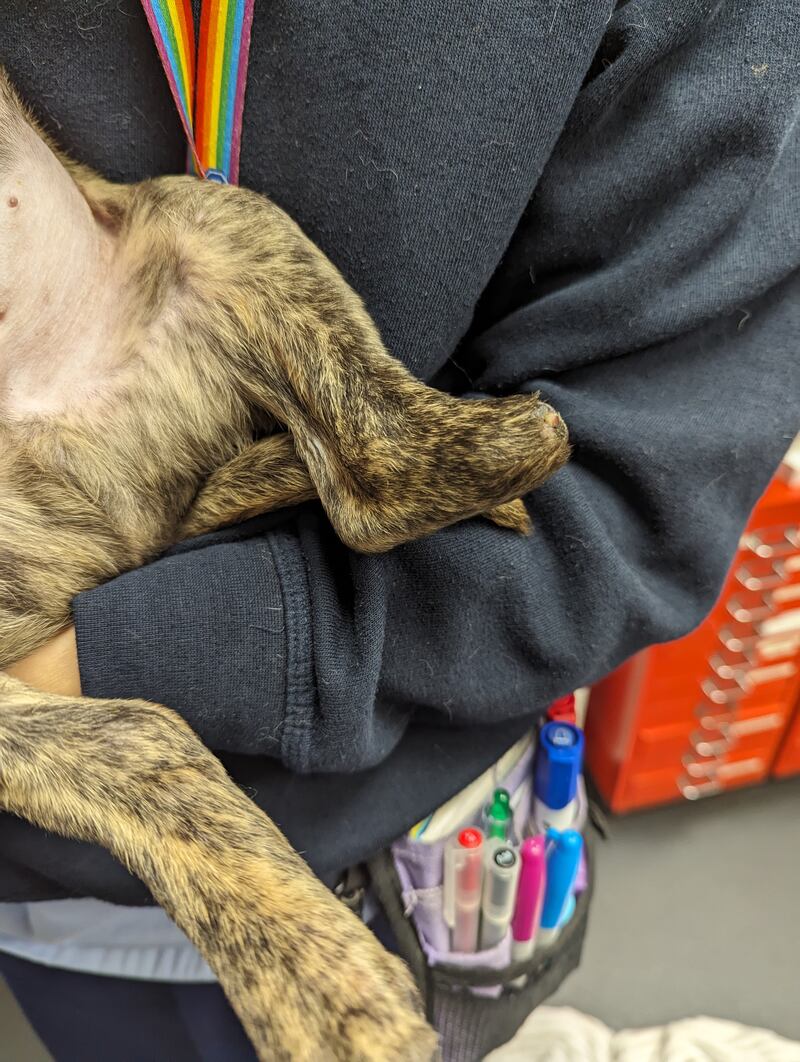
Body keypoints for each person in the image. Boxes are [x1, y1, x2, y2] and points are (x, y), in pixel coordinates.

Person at [2, 1, 798, 1059]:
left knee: (204, 236)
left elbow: (626, 514)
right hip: (47, 885)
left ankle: (377, 454)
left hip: (412, 827)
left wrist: (105, 660)